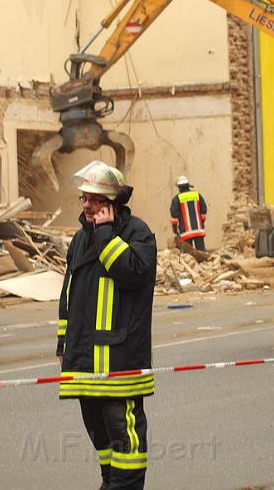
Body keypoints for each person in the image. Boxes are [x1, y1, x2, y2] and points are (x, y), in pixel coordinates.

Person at [57, 160, 157, 490]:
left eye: (95, 199)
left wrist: (104, 234)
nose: (87, 205)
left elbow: (132, 274)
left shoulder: (137, 233)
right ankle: (109, 483)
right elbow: (68, 294)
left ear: (113, 203)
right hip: (85, 360)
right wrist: (63, 344)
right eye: (84, 198)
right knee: (99, 434)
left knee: (125, 438)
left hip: (120, 360)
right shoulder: (79, 240)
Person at [170, 175, 208, 251]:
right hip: (198, 230)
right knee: (202, 252)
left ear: (179, 187)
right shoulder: (197, 195)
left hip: (185, 232)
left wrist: (175, 229)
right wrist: (202, 222)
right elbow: (204, 210)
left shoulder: (177, 198)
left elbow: (174, 215)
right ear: (188, 185)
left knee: (188, 256)